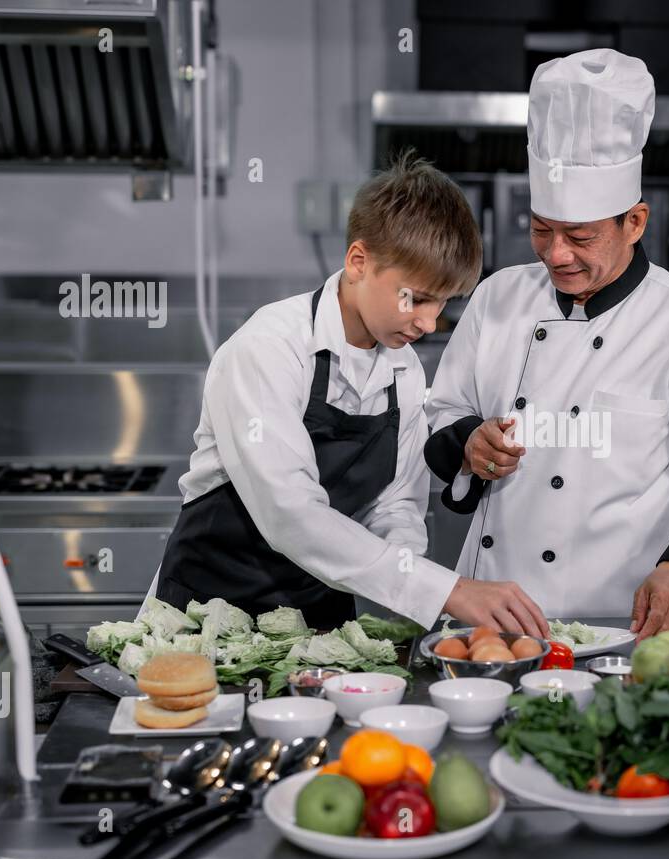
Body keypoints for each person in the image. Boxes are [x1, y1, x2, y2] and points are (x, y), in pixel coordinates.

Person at [424, 49, 669, 638]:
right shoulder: (497, 299)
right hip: (499, 608)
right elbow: (443, 413)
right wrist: (469, 445)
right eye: (540, 230)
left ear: (634, 223)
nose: (556, 254)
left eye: (579, 237)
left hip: (624, 610)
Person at [148, 152, 548, 636]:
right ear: (359, 262)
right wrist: (445, 590)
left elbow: (395, 506)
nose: (428, 322)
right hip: (201, 622)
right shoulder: (268, 349)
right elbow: (290, 515)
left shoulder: (405, 372)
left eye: (443, 303)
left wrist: (411, 586)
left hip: (318, 633)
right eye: (416, 298)